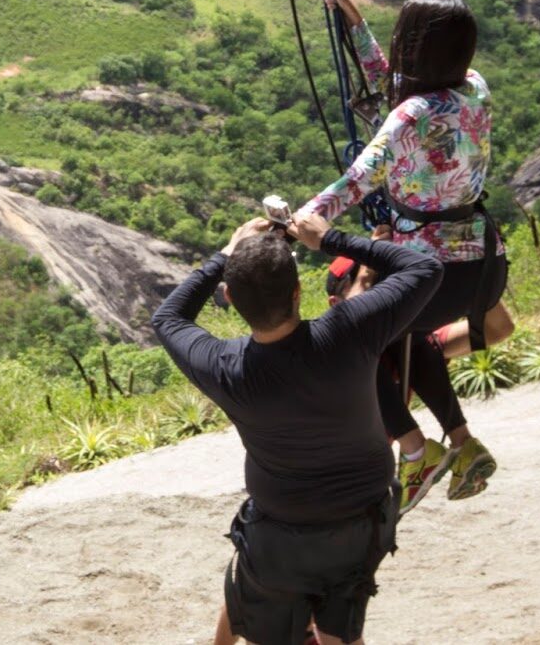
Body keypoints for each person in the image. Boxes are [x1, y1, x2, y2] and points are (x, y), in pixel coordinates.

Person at [151, 213, 443, 645]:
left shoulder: (221, 367)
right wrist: (330, 238)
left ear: (229, 298)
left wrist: (226, 254)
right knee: (340, 634)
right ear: (298, 292)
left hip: (279, 532)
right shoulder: (348, 331)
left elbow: (168, 318)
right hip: (362, 519)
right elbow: (426, 268)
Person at [299, 0, 513, 511]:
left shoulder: (410, 115)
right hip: (485, 264)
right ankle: (462, 443)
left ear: (413, 49)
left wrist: (311, 220)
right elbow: (393, 87)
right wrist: (354, 22)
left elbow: (359, 177)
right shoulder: (475, 88)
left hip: (428, 274)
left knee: (351, 335)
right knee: (403, 334)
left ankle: (416, 451)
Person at [325, 238, 512, 504]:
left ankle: (449, 447)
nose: (379, 293)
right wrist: (368, 272)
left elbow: (497, 329)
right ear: (335, 304)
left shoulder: (413, 347)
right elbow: (355, 326)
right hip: (339, 479)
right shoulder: (331, 355)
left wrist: (475, 280)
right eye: (365, 283)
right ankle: (420, 451)